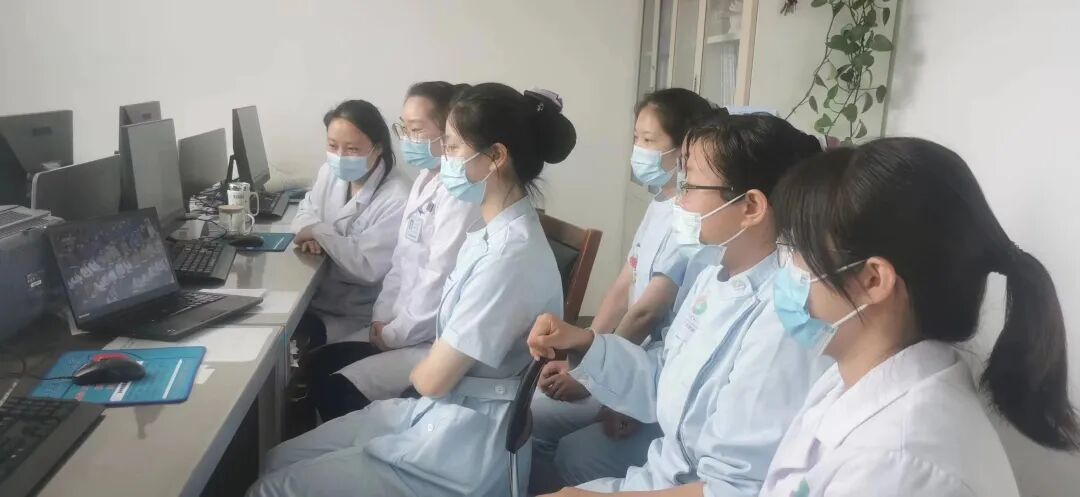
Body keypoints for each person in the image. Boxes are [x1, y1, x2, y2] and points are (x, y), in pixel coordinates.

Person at [247, 83, 576, 497]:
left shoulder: (510, 258)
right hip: (440, 411)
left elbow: (434, 378)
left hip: (461, 446)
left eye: (452, 147)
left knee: (270, 489)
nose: (443, 158)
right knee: (277, 458)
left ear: (495, 156)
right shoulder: (492, 232)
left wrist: (418, 356)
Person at [529, 111, 829, 497]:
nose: (678, 199)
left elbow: (737, 487)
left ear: (751, 206)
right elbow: (665, 376)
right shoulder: (714, 273)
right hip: (666, 472)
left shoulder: (785, 318)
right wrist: (585, 344)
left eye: (689, 185)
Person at [759, 138, 1080, 496]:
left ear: (873, 280)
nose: (788, 270)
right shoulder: (850, 378)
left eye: (800, 253)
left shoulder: (897, 464)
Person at [530, 88, 713, 492]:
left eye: (650, 140)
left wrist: (592, 377)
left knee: (558, 440)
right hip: (634, 360)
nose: (639, 150)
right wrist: (584, 357)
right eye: (636, 138)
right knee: (533, 414)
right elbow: (623, 285)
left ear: (685, 148)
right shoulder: (660, 203)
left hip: (652, 369)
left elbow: (646, 312)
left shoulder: (691, 222)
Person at [307, 82, 482, 420]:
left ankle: (354, 445)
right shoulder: (424, 181)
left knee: (333, 384)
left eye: (416, 130)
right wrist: (382, 318)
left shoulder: (459, 196)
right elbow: (400, 263)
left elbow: (437, 279)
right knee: (319, 364)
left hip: (429, 338)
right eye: (404, 128)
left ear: (449, 130)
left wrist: (394, 334)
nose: (407, 139)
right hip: (396, 324)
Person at [290, 100, 411, 345]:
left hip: (354, 313)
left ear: (377, 148)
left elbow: (366, 267)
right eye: (332, 145)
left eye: (352, 149)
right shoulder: (329, 172)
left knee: (290, 340)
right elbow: (306, 209)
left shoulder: (396, 198)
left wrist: (318, 232)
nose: (340, 156)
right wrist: (313, 234)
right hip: (317, 298)